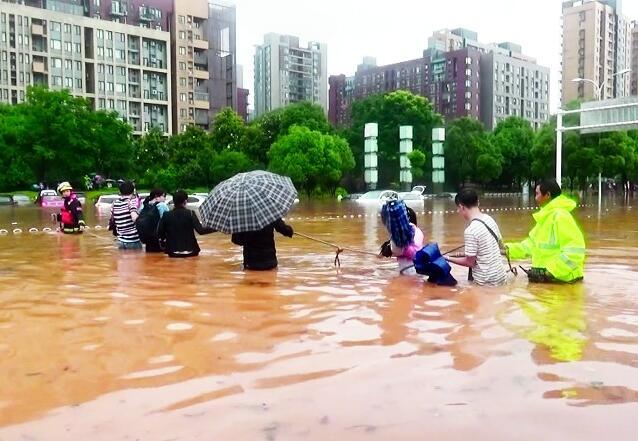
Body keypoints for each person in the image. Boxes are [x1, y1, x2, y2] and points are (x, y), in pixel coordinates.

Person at [505, 179, 586, 283]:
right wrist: (507, 249)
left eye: (537, 194)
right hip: (551, 282)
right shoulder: (546, 218)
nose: (535, 198)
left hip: (563, 283)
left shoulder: (561, 216)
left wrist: (549, 272)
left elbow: (575, 252)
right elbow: (531, 245)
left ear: (547, 195)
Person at [445, 188, 507, 286]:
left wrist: (447, 258)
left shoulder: (471, 231)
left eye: (458, 208)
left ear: (461, 207)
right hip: (501, 276)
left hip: (486, 282)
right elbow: (500, 245)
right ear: (478, 202)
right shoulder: (489, 219)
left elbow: (469, 262)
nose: (458, 211)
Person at [157, 190, 215, 258]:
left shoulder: (166, 215)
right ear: (185, 201)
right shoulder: (190, 213)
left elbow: (159, 232)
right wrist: (215, 228)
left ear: (174, 201)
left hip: (173, 252)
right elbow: (201, 230)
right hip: (191, 251)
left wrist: (164, 242)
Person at [380, 203, 425, 274]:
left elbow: (415, 253)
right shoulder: (400, 235)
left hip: (413, 271)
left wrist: (402, 248)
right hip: (407, 270)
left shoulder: (415, 232)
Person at [110, 181, 142, 250]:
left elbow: (113, 220)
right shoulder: (131, 203)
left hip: (120, 241)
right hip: (133, 240)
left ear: (120, 191)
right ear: (133, 191)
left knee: (123, 260)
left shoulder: (114, 204)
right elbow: (134, 218)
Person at [137, 188, 169, 253]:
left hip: (146, 238)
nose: (165, 198)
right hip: (158, 237)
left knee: (148, 258)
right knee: (159, 259)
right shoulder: (162, 205)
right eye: (163, 196)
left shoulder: (144, 204)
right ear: (156, 196)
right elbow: (167, 220)